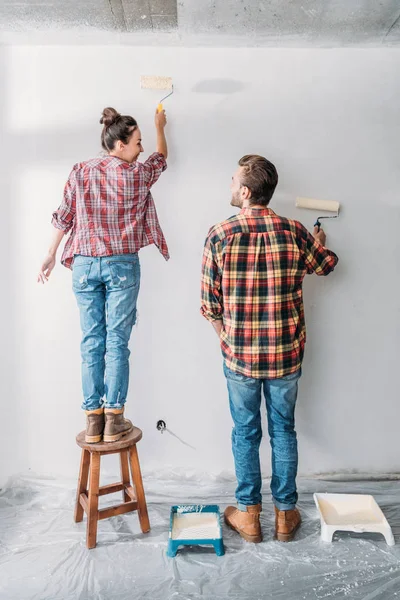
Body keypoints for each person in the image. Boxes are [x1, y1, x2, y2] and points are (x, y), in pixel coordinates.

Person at [200, 155, 338, 543]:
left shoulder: (220, 234)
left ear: (245, 191)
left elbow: (209, 305)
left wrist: (226, 338)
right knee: (284, 431)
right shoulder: (294, 232)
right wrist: (318, 243)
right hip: (285, 355)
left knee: (245, 433)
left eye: (233, 181)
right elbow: (326, 265)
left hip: (239, 357)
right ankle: (284, 516)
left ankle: (247, 516)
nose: (230, 186)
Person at [37, 106, 169, 444]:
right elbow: (162, 157)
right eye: (137, 143)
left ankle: (93, 420)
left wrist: (51, 253)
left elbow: (64, 216)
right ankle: (114, 419)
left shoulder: (81, 170)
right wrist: (159, 127)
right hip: (121, 264)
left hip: (83, 263)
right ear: (121, 145)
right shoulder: (137, 175)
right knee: (116, 343)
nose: (141, 149)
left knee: (91, 342)